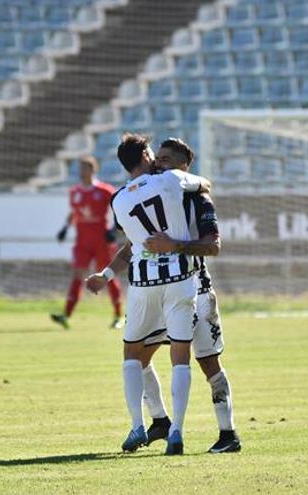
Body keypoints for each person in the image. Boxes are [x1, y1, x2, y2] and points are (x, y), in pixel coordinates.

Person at [87, 138, 241, 454]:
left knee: (208, 362)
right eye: (159, 157)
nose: (160, 162)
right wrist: (105, 276)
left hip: (196, 288)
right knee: (140, 358)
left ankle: (228, 434)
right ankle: (159, 420)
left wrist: (176, 245)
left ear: (185, 164)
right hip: (164, 288)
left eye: (168, 158)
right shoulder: (161, 190)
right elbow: (133, 247)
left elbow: (213, 246)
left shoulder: (198, 198)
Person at [50, 156, 123, 330]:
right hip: (82, 240)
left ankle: (118, 315)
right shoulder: (74, 191)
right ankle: (66, 314)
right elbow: (74, 212)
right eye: (80, 168)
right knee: (77, 275)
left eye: (85, 168)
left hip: (101, 240)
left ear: (93, 170)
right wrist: (65, 228)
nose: (82, 172)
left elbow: (120, 209)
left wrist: (113, 230)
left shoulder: (105, 190)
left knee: (107, 275)